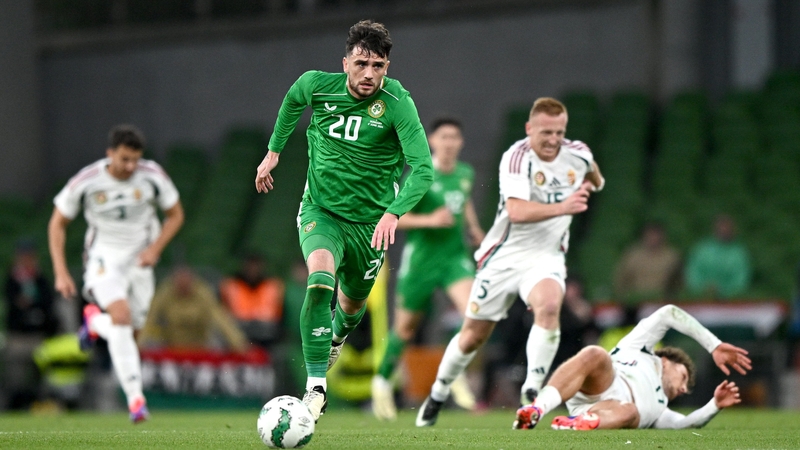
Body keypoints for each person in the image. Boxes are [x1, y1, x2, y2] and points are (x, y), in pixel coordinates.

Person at [253, 20, 434, 421]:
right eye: (362, 63)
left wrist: (393, 212)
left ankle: (335, 335)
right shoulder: (317, 84)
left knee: (352, 307)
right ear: (345, 62)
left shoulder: (397, 103)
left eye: (379, 66)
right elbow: (292, 101)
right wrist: (273, 152)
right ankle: (316, 388)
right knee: (319, 282)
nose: (370, 74)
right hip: (322, 211)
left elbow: (423, 168)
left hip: (370, 224)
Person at [415, 97, 604, 428]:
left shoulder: (578, 152)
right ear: (530, 128)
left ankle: (531, 392)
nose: (553, 140)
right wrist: (565, 205)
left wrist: (591, 182)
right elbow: (517, 211)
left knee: (548, 306)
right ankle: (439, 392)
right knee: (473, 335)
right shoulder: (517, 157)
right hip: (505, 256)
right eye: (545, 132)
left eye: (559, 132)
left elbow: (595, 177)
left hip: (547, 256)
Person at [47, 124, 184, 423]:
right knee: (121, 317)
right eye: (124, 159)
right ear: (110, 154)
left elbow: (176, 215)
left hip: (140, 263)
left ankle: (95, 321)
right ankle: (137, 402)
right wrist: (61, 272)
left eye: (135, 159)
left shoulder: (152, 176)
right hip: (103, 258)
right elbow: (58, 223)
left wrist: (155, 249)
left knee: (130, 333)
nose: (130, 166)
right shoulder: (87, 180)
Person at [371, 117, 484, 420]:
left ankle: (454, 369)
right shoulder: (420, 175)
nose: (449, 143)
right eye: (444, 137)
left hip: (453, 258)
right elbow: (396, 218)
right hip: (421, 260)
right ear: (432, 141)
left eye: (455, 137)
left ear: (460, 142)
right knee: (404, 329)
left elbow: (465, 201)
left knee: (475, 314)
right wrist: (430, 220)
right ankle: (382, 381)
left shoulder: (465, 173)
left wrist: (474, 229)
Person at [513, 304, 751, 430]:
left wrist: (714, 405)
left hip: (609, 412)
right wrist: (714, 345)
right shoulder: (640, 348)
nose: (683, 388)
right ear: (666, 362)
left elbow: (683, 424)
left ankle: (574, 424)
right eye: (683, 377)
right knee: (596, 353)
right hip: (600, 383)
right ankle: (536, 410)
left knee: (630, 412)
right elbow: (668, 313)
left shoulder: (661, 409)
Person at [2, 239, 58, 410]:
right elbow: (14, 304)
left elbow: (48, 303)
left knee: (42, 378)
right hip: (18, 336)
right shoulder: (12, 279)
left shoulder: (40, 278)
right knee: (15, 378)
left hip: (39, 336)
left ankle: (40, 406)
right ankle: (12, 408)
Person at [139, 266, 248, 352]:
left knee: (217, 338)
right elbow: (150, 319)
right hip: (171, 345)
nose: (183, 288)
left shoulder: (203, 293)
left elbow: (220, 319)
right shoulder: (165, 294)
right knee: (152, 339)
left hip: (201, 345)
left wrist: (239, 344)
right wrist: (139, 345)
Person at [219, 252, 285, 346]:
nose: (252, 269)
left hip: (267, 333)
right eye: (250, 265)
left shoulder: (272, 285)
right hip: (237, 329)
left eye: (255, 265)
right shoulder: (230, 284)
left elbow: (279, 315)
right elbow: (222, 311)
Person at [685, 214, 751, 299]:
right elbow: (693, 273)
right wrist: (702, 290)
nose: (724, 230)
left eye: (727, 227)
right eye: (721, 227)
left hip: (730, 302)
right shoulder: (702, 249)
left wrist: (724, 292)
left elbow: (741, 279)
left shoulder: (740, 253)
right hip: (701, 300)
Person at [613, 221, 682, 301]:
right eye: (650, 234)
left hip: (662, 301)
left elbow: (678, 282)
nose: (653, 238)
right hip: (636, 302)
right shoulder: (632, 256)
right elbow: (621, 280)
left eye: (656, 234)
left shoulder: (672, 257)